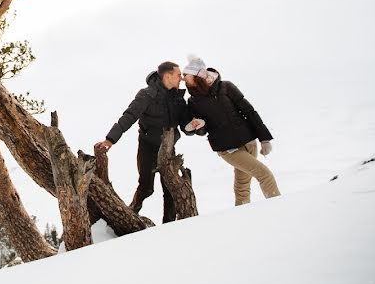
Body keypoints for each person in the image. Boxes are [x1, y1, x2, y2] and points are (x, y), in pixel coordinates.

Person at [95, 61, 192, 223]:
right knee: (146, 187)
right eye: (178, 75)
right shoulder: (147, 95)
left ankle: (170, 226)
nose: (181, 78)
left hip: (168, 148)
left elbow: (185, 124)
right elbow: (129, 116)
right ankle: (130, 214)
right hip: (147, 146)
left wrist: (193, 126)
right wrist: (110, 139)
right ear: (167, 76)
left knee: (170, 188)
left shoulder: (177, 98)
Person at [182, 55, 281, 206]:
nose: (184, 79)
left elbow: (249, 111)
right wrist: (199, 125)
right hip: (227, 148)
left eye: (186, 75)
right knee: (264, 175)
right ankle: (281, 208)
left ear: (198, 76)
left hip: (249, 141)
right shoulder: (193, 100)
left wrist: (264, 139)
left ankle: (240, 217)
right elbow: (201, 130)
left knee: (242, 185)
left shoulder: (226, 87)